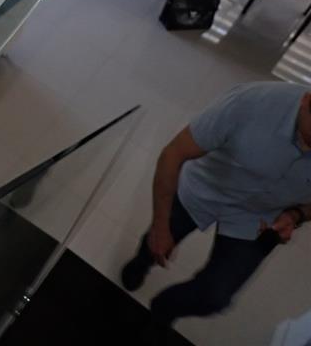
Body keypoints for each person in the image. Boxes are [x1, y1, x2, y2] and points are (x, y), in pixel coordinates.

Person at [121, 81, 311, 327]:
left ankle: (164, 309)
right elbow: (173, 154)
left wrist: (295, 215)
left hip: (259, 217)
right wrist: (160, 226)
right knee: (157, 240)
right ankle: (141, 263)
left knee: (215, 297)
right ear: (306, 101)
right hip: (206, 185)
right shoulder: (250, 102)